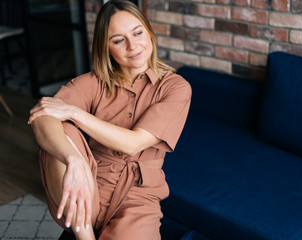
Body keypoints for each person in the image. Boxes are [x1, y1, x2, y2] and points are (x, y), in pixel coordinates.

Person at [28, 0, 191, 239]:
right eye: (118, 40)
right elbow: (42, 116)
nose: (133, 45)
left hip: (138, 198)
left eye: (138, 33)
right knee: (60, 130)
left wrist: (75, 113)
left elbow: (134, 143)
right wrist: (72, 159)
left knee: (66, 118)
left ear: (149, 32)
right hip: (88, 185)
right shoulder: (93, 83)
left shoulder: (175, 87)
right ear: (106, 48)